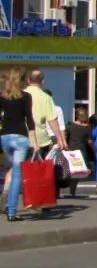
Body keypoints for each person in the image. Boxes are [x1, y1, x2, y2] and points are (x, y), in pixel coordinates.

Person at [0, 66, 40, 222]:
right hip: (20, 139)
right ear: (22, 80)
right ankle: (11, 211)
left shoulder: (2, 97)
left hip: (5, 138)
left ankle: (5, 198)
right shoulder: (26, 97)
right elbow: (29, 120)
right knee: (17, 174)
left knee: (9, 170)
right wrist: (34, 142)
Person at [24, 70, 68, 157]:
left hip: (21, 137)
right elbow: (52, 120)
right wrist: (60, 138)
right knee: (37, 168)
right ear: (43, 81)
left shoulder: (20, 94)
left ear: (28, 80)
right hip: (40, 140)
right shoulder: (46, 97)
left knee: (18, 168)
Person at [65, 107, 93, 197]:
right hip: (80, 152)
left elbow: (65, 135)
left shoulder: (70, 125)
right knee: (76, 173)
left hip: (69, 150)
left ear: (76, 115)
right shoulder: (87, 128)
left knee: (66, 170)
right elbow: (90, 142)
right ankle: (72, 191)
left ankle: (61, 187)